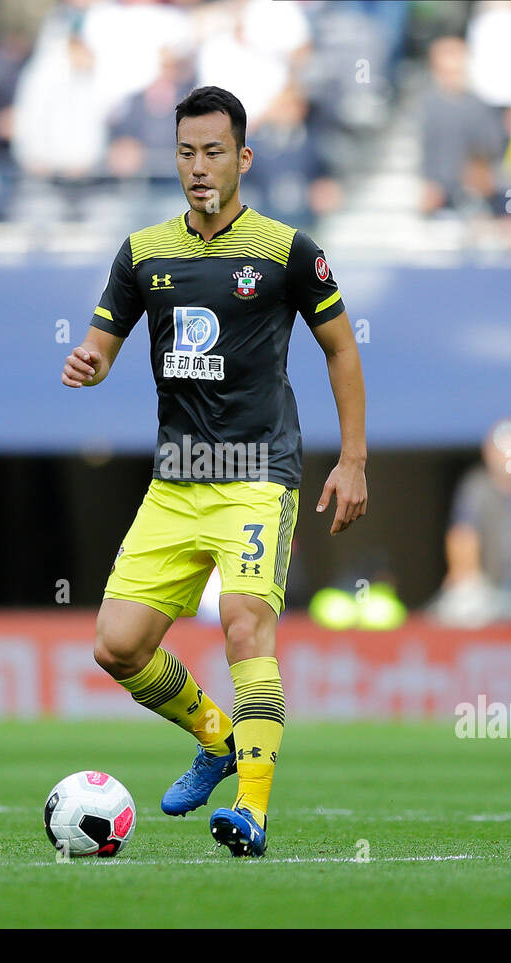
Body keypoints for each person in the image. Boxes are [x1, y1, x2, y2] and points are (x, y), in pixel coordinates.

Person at [61, 86, 367, 857]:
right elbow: (103, 340)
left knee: (243, 625)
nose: (199, 167)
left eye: (214, 152)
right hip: (178, 479)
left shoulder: (287, 251)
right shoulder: (143, 252)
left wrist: (353, 460)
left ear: (243, 158)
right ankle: (214, 735)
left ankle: (253, 810)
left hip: (258, 472)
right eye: (187, 153)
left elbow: (340, 349)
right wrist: (92, 363)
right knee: (117, 645)